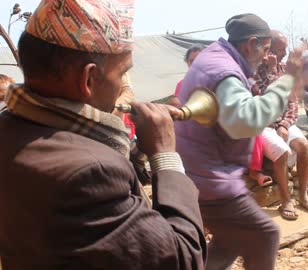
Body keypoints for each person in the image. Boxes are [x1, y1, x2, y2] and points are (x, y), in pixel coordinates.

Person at [0, 0, 206, 269]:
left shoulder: (8, 127)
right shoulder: (90, 172)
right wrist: (164, 154)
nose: (123, 86)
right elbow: (184, 259)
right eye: (122, 73)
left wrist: (138, 150)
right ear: (89, 79)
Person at [175, 14, 304, 270]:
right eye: (266, 49)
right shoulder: (224, 71)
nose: (267, 56)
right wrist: (287, 81)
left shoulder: (215, 57)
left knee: (230, 240)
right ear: (251, 43)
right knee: (265, 235)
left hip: (201, 173)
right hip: (213, 180)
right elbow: (244, 120)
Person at [252, 30, 308, 220]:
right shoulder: (253, 72)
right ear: (267, 50)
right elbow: (264, 99)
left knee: (303, 145)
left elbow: (292, 103)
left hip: (282, 123)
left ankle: (303, 195)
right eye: (279, 50)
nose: (283, 54)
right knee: (281, 152)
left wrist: (284, 124)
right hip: (264, 126)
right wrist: (272, 72)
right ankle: (285, 200)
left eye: (284, 49)